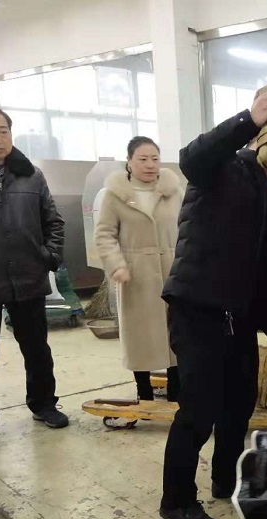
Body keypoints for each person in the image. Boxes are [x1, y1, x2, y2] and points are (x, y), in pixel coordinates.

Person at [159, 92, 267, 519]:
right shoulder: (223, 164)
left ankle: (226, 480)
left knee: (239, 404)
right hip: (198, 304)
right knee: (198, 408)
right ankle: (176, 500)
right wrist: (249, 119)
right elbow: (192, 157)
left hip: (236, 312)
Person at [0, 104, 68, 430]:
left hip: (28, 276)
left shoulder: (32, 175)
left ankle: (44, 404)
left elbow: (54, 221)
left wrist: (48, 257)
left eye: (3, 131)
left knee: (36, 349)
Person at [95, 137, 183, 403]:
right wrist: (117, 265)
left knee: (176, 332)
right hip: (136, 275)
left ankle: (176, 391)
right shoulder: (115, 195)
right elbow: (105, 235)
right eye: (143, 159)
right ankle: (143, 391)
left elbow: (189, 229)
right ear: (129, 162)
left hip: (173, 271)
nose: (150, 164)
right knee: (140, 335)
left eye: (155, 159)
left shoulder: (174, 192)